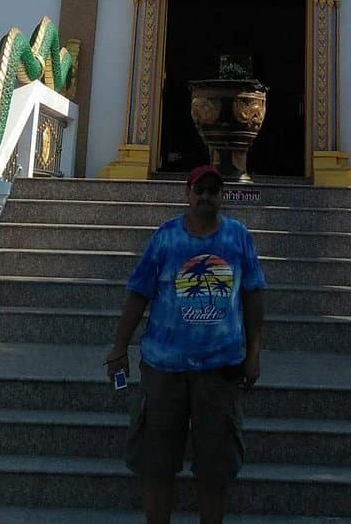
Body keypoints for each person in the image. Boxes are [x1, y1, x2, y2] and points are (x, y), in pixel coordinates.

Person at [105, 163, 266, 524]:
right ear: (187, 194)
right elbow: (138, 294)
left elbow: (254, 299)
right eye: (200, 190)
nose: (206, 197)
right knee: (157, 466)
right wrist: (119, 349)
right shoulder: (166, 238)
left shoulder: (238, 238)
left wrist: (253, 354)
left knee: (215, 469)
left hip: (220, 368)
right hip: (165, 368)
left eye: (213, 191)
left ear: (222, 196)